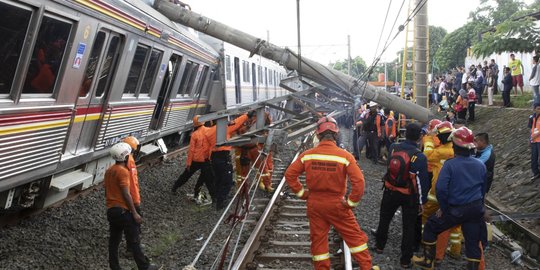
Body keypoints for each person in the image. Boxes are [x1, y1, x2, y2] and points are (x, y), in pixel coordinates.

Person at [284, 116, 376, 270]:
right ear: (336, 134)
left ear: (318, 135)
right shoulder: (345, 156)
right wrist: (350, 203)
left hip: (315, 204)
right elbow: (359, 183)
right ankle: (366, 267)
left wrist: (302, 194)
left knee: (318, 241)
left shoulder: (308, 155)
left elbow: (290, 175)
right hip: (337, 205)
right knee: (355, 238)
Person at [413, 127, 487, 270]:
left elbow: (441, 189)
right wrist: (481, 207)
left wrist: (445, 209)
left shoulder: (450, 165)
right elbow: (482, 189)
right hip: (475, 209)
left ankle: (428, 262)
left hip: (455, 209)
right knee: (473, 243)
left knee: (431, 226)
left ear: (455, 146)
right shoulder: (480, 165)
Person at [373, 123, 429, 268]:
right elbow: (421, 182)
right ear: (419, 137)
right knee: (408, 227)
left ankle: (379, 246)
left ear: (405, 134)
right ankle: (405, 260)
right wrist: (422, 202)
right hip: (409, 196)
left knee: (384, 219)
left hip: (390, 190)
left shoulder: (393, 148)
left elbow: (389, 168)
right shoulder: (419, 156)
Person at [105, 143, 160, 270]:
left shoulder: (109, 171)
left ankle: (115, 267)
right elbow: (126, 193)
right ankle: (144, 266)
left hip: (111, 211)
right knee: (134, 240)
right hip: (123, 212)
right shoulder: (123, 172)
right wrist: (134, 213)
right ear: (125, 157)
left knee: (114, 241)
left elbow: (107, 191)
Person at [206, 112, 253, 210]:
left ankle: (218, 198)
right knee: (227, 180)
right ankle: (221, 202)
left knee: (218, 178)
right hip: (223, 156)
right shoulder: (224, 129)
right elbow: (236, 123)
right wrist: (247, 115)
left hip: (214, 157)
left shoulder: (209, 131)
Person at [171, 116, 215, 204]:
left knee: (186, 175)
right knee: (205, 179)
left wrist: (188, 163)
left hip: (195, 160)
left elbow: (191, 150)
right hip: (206, 160)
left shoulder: (194, 134)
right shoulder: (209, 130)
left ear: (195, 124)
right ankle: (206, 195)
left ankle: (175, 187)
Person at [122, 136, 143, 256]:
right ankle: (132, 249)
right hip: (131, 198)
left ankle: (134, 245)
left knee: (132, 224)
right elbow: (132, 184)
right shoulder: (130, 161)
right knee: (133, 224)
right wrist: (136, 201)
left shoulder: (126, 160)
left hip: (129, 198)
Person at [529, 104, 540, 181]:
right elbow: (531, 129)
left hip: (539, 140)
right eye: (538, 109)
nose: (539, 110)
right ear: (534, 109)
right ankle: (535, 173)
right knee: (533, 158)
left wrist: (535, 136)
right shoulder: (532, 117)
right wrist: (530, 139)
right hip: (533, 141)